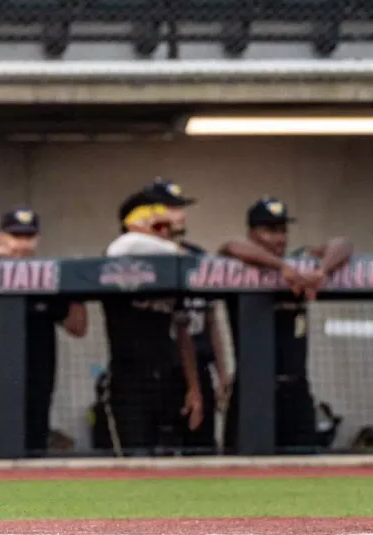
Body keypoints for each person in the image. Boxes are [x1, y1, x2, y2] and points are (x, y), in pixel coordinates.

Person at [218, 197, 352, 452]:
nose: (279, 238)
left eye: (282, 231)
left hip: (296, 390)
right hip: (252, 391)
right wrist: (282, 268)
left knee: (305, 469)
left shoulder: (302, 263)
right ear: (253, 233)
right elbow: (231, 246)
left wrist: (320, 272)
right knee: (240, 471)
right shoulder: (236, 267)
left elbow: (342, 244)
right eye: (270, 231)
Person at [0, 207, 87, 456]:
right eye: (15, 236)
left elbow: (77, 327)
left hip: (37, 377)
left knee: (35, 443)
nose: (21, 243)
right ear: (1, 238)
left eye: (28, 237)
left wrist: (78, 285)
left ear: (37, 239)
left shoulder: (48, 276)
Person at [101, 194, 203, 456]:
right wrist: (176, 250)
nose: (165, 233)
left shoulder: (173, 271)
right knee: (135, 460)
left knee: (173, 458)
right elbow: (125, 245)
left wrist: (194, 387)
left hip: (169, 375)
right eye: (157, 226)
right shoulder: (118, 255)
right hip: (129, 378)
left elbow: (183, 332)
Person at [139, 179, 230, 453]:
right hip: (154, 371)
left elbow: (211, 317)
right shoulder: (135, 254)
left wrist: (223, 372)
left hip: (199, 365)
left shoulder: (196, 256)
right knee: (155, 448)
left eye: (180, 208)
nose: (180, 214)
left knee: (201, 447)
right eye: (171, 207)